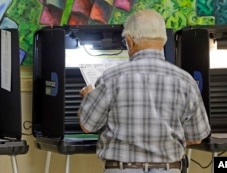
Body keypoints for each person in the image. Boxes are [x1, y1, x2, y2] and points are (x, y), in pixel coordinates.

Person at [78, 9, 211, 173]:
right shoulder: (186, 80)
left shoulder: (111, 77)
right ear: (163, 41)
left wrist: (89, 96)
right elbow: (197, 136)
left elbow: (88, 125)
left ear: (129, 41)